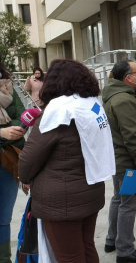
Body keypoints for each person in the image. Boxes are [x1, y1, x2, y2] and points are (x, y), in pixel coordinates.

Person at [18, 59, 115, 263]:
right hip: (90, 191)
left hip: (60, 201)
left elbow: (29, 158)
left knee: (69, 256)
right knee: (87, 247)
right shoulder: (92, 105)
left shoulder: (57, 112)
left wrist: (24, 178)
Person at [103, 60, 136, 262]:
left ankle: (112, 239)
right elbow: (132, 136)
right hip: (128, 161)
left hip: (117, 158)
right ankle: (125, 250)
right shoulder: (124, 100)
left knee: (118, 199)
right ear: (127, 77)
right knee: (128, 204)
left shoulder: (113, 94)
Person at [0, 64, 27, 262]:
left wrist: (16, 130)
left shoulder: (9, 85)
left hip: (7, 160)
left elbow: (22, 116)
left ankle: (4, 258)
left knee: (4, 217)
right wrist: (1, 133)